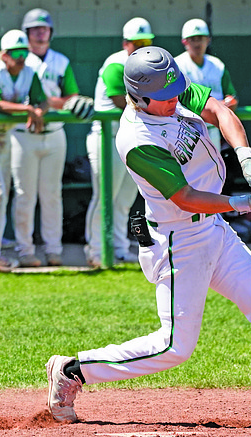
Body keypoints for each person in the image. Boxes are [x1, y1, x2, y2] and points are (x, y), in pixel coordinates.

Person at [45, 46, 251, 428]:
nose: (174, 100)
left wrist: (245, 156)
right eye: (164, 98)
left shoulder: (169, 91)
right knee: (174, 347)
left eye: (175, 91)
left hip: (214, 229)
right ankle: (73, 371)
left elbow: (220, 111)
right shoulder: (136, 139)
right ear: (139, 97)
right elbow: (185, 197)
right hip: (178, 241)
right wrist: (242, 202)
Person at [12, 8, 90, 267]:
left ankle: (53, 250)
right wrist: (48, 103)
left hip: (54, 132)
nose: (40, 33)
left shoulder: (60, 61)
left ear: (51, 32)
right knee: (24, 195)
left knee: (52, 194)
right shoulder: (19, 58)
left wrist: (49, 103)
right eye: (35, 29)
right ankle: (25, 250)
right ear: (27, 33)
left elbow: (71, 97)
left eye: (44, 28)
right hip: (24, 134)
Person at [0, 29, 47, 273]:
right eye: (16, 53)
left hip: (6, 138)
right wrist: (28, 109)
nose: (21, 57)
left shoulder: (29, 73)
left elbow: (42, 100)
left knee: (0, 197)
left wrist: (39, 111)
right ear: (4, 55)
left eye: (24, 52)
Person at [84, 17, 154, 267]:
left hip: (131, 138)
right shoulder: (116, 62)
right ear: (126, 43)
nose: (141, 47)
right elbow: (119, 100)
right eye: (136, 43)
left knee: (125, 198)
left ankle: (120, 248)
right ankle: (95, 250)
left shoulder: (148, 64)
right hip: (107, 137)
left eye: (146, 42)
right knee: (104, 197)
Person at [175, 18, 238, 153]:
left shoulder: (217, 65)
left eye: (201, 38)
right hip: (185, 129)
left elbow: (232, 97)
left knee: (215, 170)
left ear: (208, 40)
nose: (197, 43)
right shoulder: (177, 65)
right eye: (193, 39)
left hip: (213, 129)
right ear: (184, 41)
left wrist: (226, 105)